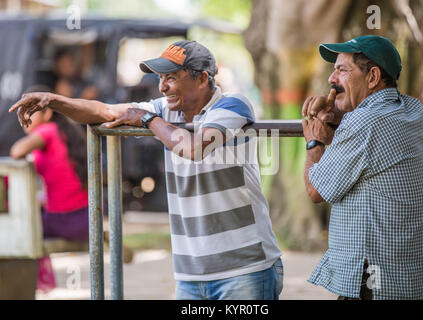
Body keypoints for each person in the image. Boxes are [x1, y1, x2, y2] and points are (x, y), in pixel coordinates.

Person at [10, 40, 283, 300]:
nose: (162, 87)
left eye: (171, 78)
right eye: (160, 79)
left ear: (201, 79)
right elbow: (104, 111)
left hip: (245, 269)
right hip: (191, 274)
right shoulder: (166, 110)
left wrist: (148, 119)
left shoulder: (232, 105)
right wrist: (54, 101)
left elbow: (193, 148)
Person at [301, 35, 423, 300]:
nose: (332, 80)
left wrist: (315, 140)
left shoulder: (364, 123)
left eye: (342, 70)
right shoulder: (413, 110)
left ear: (373, 76)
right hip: (414, 280)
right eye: (334, 71)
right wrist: (340, 120)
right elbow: (372, 140)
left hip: (377, 286)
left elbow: (314, 190)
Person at [10, 86, 90, 293]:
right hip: (85, 216)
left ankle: (26, 287)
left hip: (65, 220)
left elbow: (16, 151)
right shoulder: (64, 134)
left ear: (46, 113)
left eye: (29, 112)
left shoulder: (46, 131)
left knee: (15, 232)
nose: (23, 117)